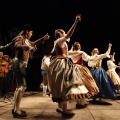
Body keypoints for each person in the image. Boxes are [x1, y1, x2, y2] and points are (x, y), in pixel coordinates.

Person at [47, 14, 91, 119]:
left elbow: (65, 52)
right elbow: (69, 35)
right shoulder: (59, 40)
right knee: (65, 84)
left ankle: (61, 107)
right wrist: (75, 21)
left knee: (63, 84)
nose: (65, 33)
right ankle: (64, 110)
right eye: (63, 33)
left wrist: (76, 53)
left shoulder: (58, 42)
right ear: (60, 34)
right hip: (62, 63)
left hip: (61, 62)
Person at [11, 24, 50, 118]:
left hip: (21, 64)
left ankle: (16, 108)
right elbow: (17, 46)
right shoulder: (20, 38)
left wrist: (43, 39)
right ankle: (16, 110)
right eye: (31, 32)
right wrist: (27, 47)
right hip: (19, 63)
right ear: (27, 31)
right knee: (22, 87)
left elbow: (34, 43)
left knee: (19, 87)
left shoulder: (27, 40)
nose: (32, 34)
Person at [68, 41, 99, 108]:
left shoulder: (71, 53)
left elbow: (68, 53)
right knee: (84, 85)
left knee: (77, 86)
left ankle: (79, 102)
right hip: (80, 69)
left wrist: (71, 48)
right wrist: (95, 55)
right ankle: (81, 103)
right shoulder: (81, 52)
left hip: (73, 69)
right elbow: (89, 59)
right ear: (79, 47)